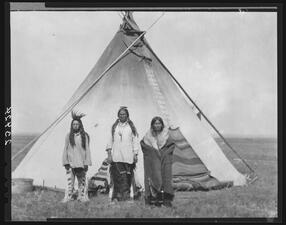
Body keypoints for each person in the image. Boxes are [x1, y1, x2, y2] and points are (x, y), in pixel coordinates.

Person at [140, 116, 175, 207]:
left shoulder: (166, 135)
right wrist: (154, 152)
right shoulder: (148, 136)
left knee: (165, 178)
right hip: (153, 162)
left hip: (164, 160)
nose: (157, 125)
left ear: (162, 124)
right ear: (152, 125)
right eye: (155, 123)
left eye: (159, 123)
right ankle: (153, 199)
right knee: (153, 177)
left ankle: (166, 200)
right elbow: (145, 146)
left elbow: (170, 146)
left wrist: (163, 153)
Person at [106, 106, 139, 202]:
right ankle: (116, 197)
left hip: (128, 156)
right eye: (120, 114)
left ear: (127, 115)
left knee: (127, 177)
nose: (122, 116)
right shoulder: (114, 127)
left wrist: (135, 154)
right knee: (117, 176)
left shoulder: (131, 127)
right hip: (117, 155)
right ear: (118, 115)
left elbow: (135, 141)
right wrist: (109, 154)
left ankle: (127, 196)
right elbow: (109, 140)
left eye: (124, 114)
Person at [61, 111, 92, 202]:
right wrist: (65, 161)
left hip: (81, 163)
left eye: (77, 124)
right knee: (70, 182)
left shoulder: (84, 136)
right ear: (72, 125)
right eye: (73, 124)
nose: (75, 126)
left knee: (82, 181)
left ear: (80, 125)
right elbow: (65, 149)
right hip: (70, 163)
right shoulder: (68, 136)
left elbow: (87, 149)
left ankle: (82, 197)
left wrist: (86, 163)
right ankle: (68, 197)